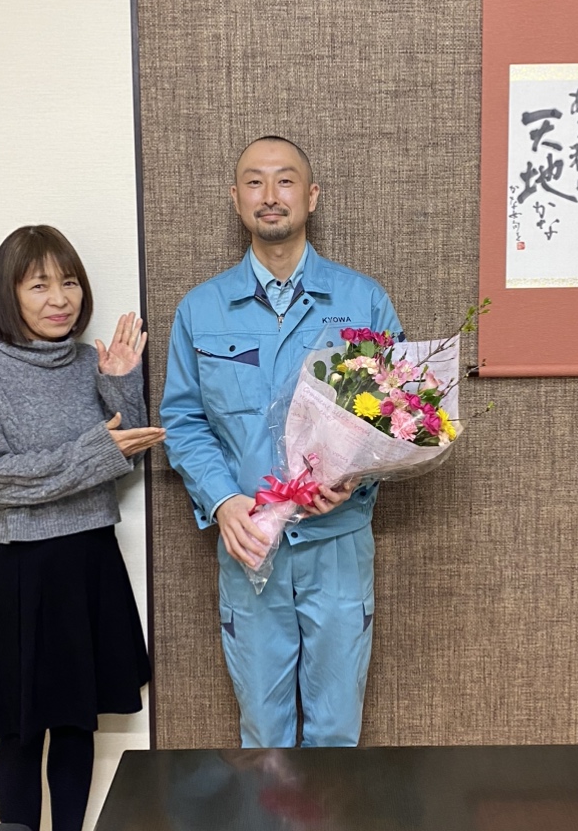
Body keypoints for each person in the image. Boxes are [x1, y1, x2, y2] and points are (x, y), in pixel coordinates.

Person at [161, 136, 402, 748]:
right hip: (250, 543)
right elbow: (183, 421)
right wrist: (222, 502)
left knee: (336, 731)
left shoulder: (363, 301)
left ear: (311, 196)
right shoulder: (201, 309)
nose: (270, 195)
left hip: (337, 542)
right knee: (264, 734)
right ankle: (268, 821)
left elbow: (399, 416)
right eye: (254, 182)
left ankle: (331, 821)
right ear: (236, 198)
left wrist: (355, 476)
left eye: (286, 180)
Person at [0, 225, 165, 831]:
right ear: (8, 293)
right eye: (39, 284)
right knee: (20, 733)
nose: (60, 298)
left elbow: (128, 452)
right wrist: (92, 454)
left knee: (76, 723)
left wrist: (120, 382)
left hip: (86, 561)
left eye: (68, 281)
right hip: (12, 569)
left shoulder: (89, 363)